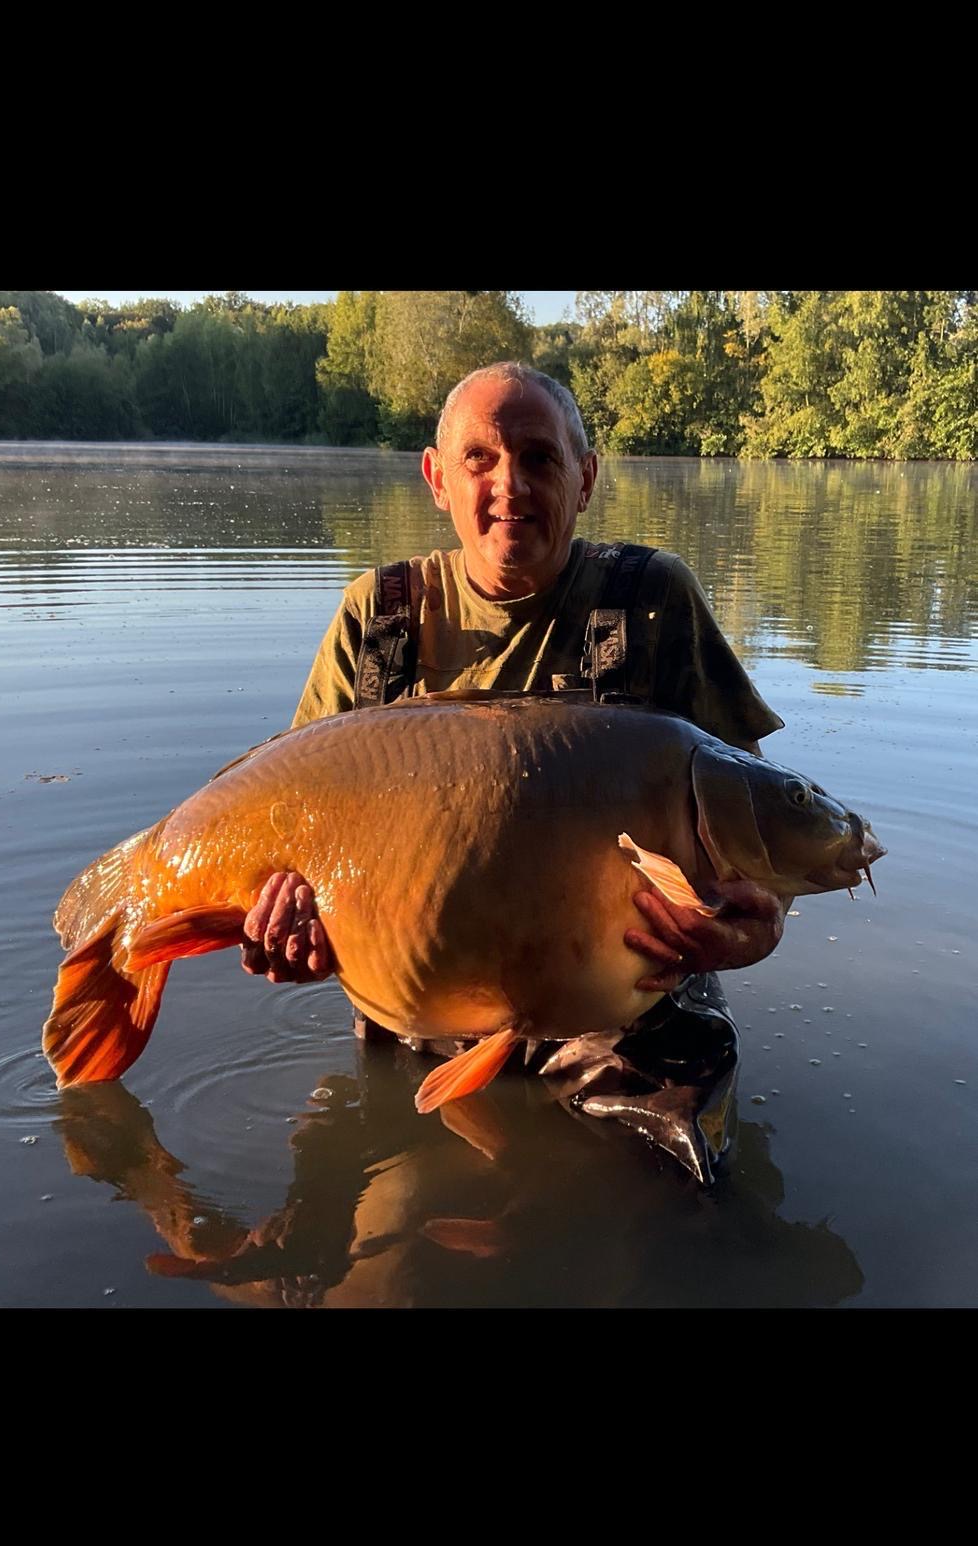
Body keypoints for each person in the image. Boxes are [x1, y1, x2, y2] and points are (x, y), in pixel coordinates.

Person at [238, 363, 788, 1180]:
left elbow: (760, 825)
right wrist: (284, 922)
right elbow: (287, 828)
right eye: (480, 459)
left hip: (628, 1014)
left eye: (539, 458)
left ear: (585, 478)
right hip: (422, 1007)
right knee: (390, 1234)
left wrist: (759, 923)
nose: (510, 485)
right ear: (436, 478)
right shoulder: (379, 619)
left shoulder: (651, 601)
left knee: (671, 1213)